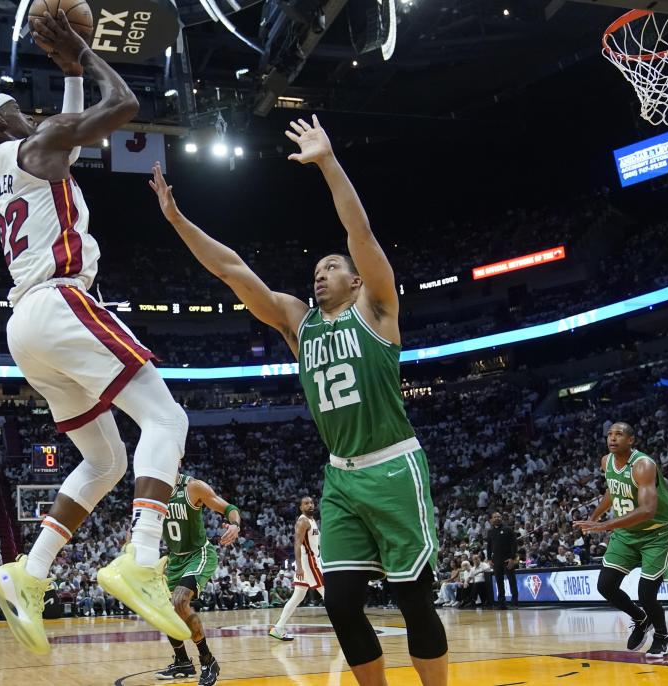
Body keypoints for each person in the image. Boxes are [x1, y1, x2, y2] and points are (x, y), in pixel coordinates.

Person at [150, 115, 447, 686]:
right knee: (338, 604)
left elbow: (360, 234)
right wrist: (178, 219)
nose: (321, 274)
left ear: (357, 282)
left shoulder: (378, 311)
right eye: (316, 269)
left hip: (393, 466)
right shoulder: (298, 323)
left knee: (414, 599)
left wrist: (329, 163)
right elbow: (233, 269)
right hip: (340, 477)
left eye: (332, 267)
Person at [0, 10, 190, 653]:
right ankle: (142, 557)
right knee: (168, 420)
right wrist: (86, 54)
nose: (33, 117)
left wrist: (66, 76)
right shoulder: (37, 143)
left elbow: (66, 139)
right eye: (21, 113)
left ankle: (28, 574)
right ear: (7, 122)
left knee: (105, 460)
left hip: (24, 327)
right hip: (61, 302)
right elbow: (125, 104)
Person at [575, 422, 668, 658]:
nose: (612, 438)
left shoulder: (643, 465)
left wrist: (604, 525)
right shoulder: (606, 461)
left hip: (656, 533)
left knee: (647, 594)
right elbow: (613, 489)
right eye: (609, 434)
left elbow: (648, 509)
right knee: (606, 585)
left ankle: (662, 635)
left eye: (619, 434)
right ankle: (641, 618)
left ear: (630, 440)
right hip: (627, 534)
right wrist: (594, 516)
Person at [154, 473, 241, 685]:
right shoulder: (154, 491)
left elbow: (228, 508)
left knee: (179, 601)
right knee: (166, 611)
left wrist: (234, 525)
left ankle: (208, 660)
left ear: (178, 459)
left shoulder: (193, 487)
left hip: (198, 554)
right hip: (174, 559)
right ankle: (183, 662)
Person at [270, 496, 324, 640]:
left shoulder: (312, 521)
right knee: (328, 593)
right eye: (306, 503)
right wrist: (299, 566)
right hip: (309, 562)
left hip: (312, 560)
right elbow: (297, 544)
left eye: (312, 503)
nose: (310, 505)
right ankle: (346, 629)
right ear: (301, 507)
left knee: (298, 596)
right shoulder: (303, 521)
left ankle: (278, 627)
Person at [487, 512, 518, 609]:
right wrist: (489, 559)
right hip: (496, 561)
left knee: (512, 581)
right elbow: (489, 546)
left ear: (501, 518)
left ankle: (514, 603)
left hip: (507, 560)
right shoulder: (490, 532)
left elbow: (514, 544)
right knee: (499, 583)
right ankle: (502, 603)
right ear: (491, 519)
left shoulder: (507, 529)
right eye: (495, 517)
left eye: (499, 517)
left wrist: (512, 558)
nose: (497, 518)